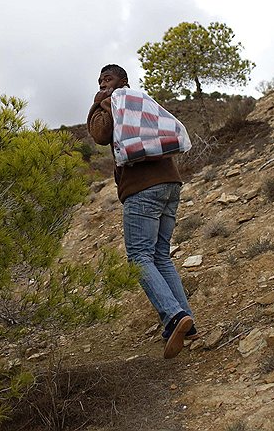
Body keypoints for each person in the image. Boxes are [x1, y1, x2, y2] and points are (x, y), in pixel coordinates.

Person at [87, 64, 198, 359]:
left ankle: (174, 316)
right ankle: (187, 322)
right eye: (100, 81)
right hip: (170, 184)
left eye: (107, 79)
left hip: (142, 189)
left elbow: (100, 135)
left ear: (122, 81)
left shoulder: (114, 104)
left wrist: (99, 102)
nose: (102, 83)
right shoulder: (142, 101)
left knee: (139, 258)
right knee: (160, 256)